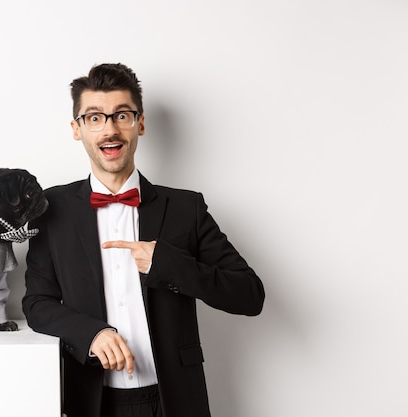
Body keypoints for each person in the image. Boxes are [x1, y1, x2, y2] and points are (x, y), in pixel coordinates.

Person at [22, 63, 264, 417]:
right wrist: (90, 333)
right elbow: (37, 304)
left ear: (140, 123)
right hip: (90, 400)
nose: (110, 129)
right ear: (77, 129)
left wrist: (166, 264)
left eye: (121, 115)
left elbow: (249, 294)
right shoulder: (50, 208)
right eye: (94, 118)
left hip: (173, 401)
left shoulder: (186, 208)